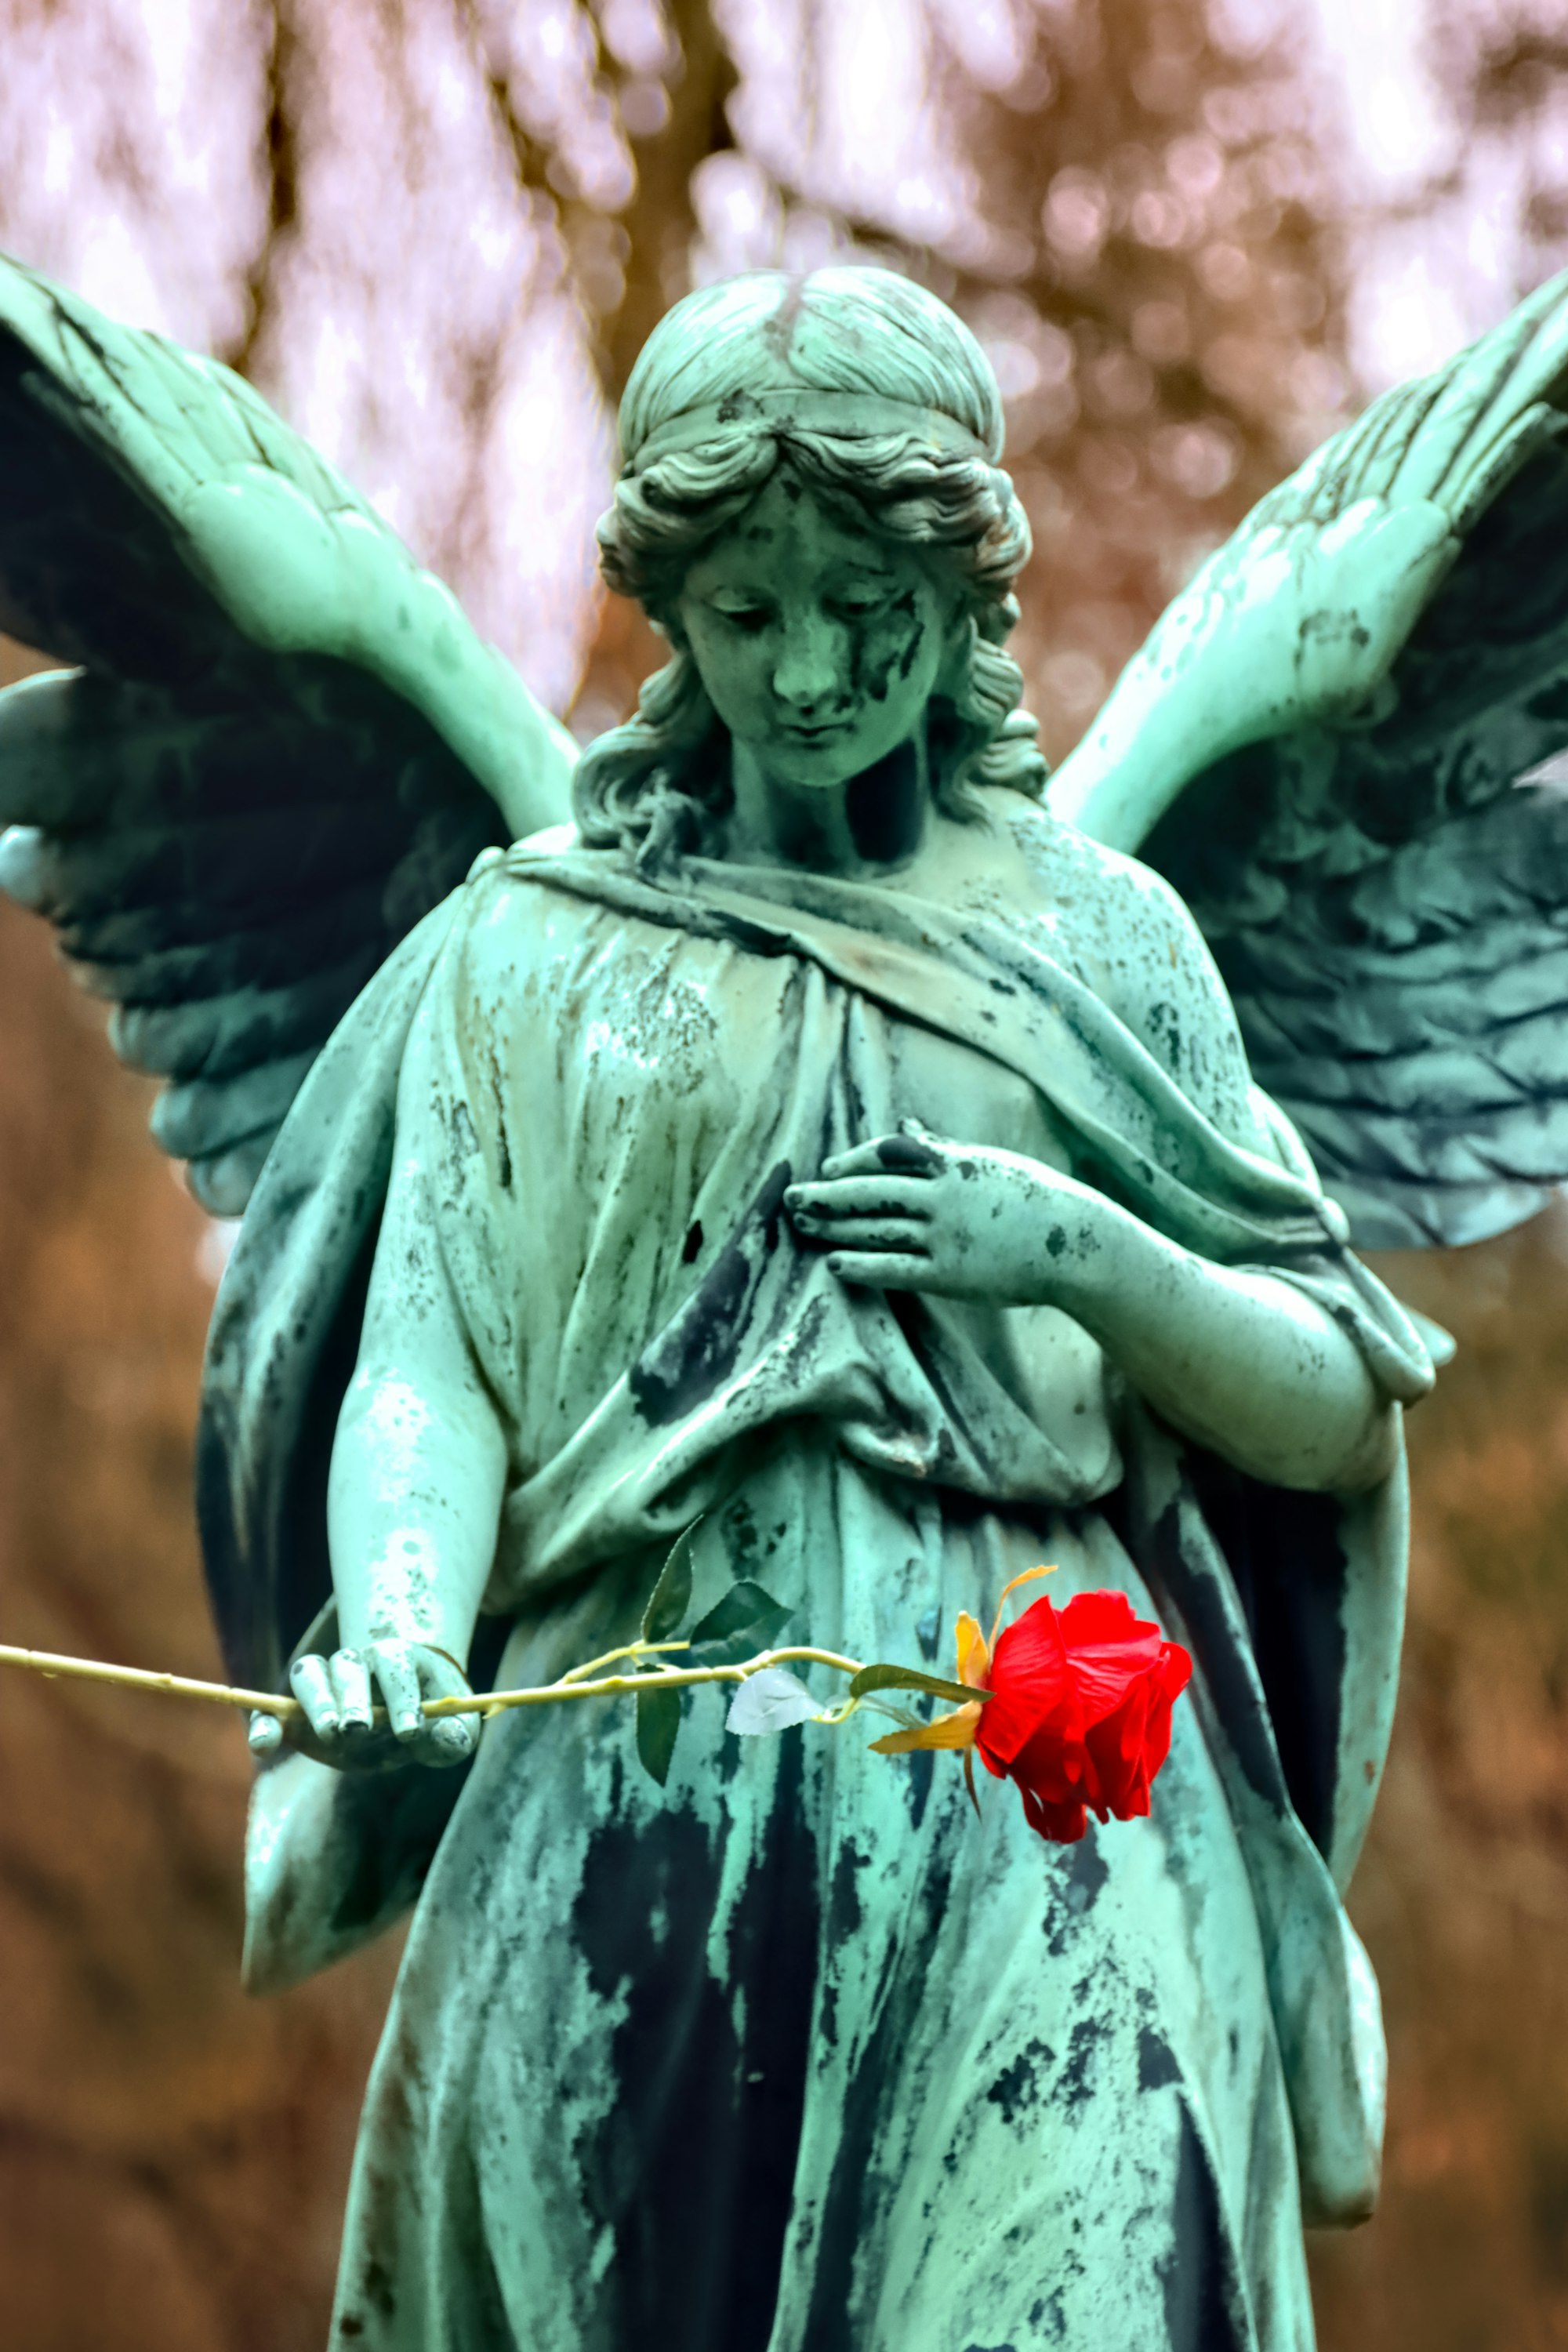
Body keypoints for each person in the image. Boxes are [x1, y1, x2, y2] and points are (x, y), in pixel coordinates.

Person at [230, 267, 1432, 2350]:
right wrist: (408, 1622)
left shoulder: (1105, 943)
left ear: (958, 579)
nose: (799, 670)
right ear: (671, 612)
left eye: (856, 600)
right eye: (741, 607)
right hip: (626, 1826)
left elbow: (1332, 1402)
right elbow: (426, 1368)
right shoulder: (533, 953)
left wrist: (1077, 1256)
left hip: (1055, 1813)